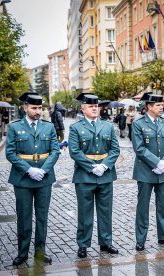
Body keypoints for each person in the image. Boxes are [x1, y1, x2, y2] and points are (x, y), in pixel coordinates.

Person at [5, 92, 60, 266]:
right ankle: (22, 253)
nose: (37, 111)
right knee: (24, 217)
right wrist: (29, 169)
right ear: (25, 108)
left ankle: (40, 252)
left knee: (42, 216)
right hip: (22, 179)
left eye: (39, 108)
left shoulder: (48, 126)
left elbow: (55, 151)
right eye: (34, 108)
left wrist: (43, 170)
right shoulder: (14, 127)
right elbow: (10, 153)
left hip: (44, 178)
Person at [69, 93, 120, 258]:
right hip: (85, 176)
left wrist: (104, 165)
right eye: (90, 106)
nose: (94, 109)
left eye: (96, 106)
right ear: (83, 109)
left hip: (105, 175)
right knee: (85, 212)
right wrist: (92, 167)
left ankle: (106, 242)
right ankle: (83, 244)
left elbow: (115, 149)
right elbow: (74, 151)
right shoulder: (76, 127)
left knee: (106, 211)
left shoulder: (108, 126)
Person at [132, 92, 164, 251]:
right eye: (158, 105)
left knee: (162, 206)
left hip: (163, 171)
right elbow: (139, 148)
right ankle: (141, 238)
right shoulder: (138, 124)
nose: (161, 107)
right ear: (149, 107)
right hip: (145, 171)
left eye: (161, 105)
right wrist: (156, 162)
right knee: (143, 207)